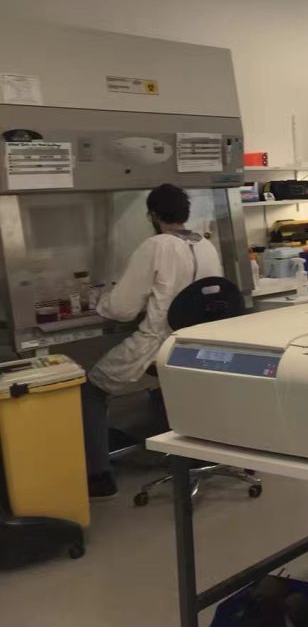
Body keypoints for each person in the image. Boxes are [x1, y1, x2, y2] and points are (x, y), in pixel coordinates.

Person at [82, 184, 222, 499]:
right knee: (166, 386)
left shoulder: (155, 245)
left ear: (153, 216)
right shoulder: (206, 245)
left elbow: (122, 308)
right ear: (186, 213)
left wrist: (101, 302)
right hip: (200, 347)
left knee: (91, 389)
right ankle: (180, 451)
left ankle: (99, 477)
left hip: (159, 344)